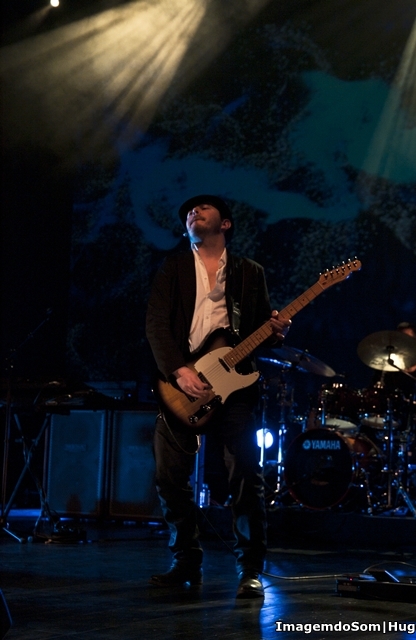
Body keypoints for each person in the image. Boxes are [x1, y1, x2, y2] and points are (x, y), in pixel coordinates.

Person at [145, 194, 291, 598]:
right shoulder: (173, 268)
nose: (193, 212)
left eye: (203, 208)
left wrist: (276, 331)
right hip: (179, 385)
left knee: (244, 475)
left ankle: (250, 569)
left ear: (225, 224)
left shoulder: (249, 272)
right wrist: (179, 371)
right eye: (188, 211)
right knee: (168, 476)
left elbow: (260, 332)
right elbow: (156, 324)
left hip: (234, 386)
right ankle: (185, 561)